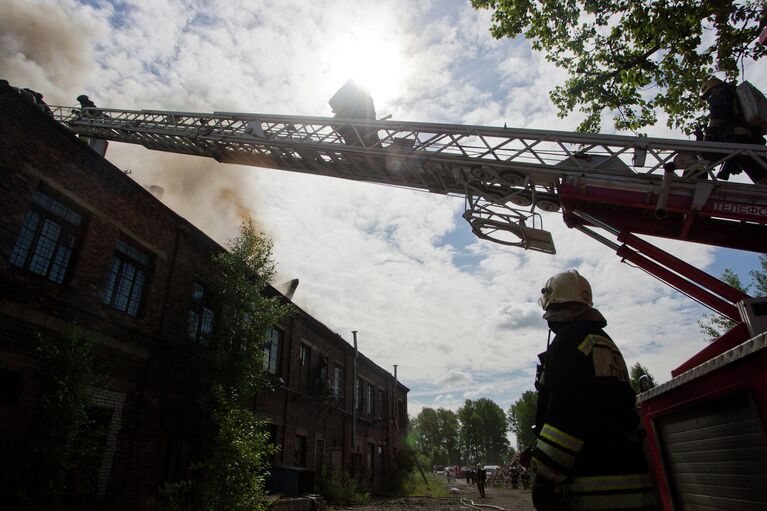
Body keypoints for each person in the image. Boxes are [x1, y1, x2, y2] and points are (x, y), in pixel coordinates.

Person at [529, 270, 657, 511]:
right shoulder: (605, 343)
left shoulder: (569, 342)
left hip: (589, 487)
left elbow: (567, 414)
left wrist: (546, 472)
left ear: (553, 310)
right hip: (633, 483)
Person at [701, 77, 767, 184]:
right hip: (750, 139)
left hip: (734, 140)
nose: (709, 98)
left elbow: (716, 119)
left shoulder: (719, 93)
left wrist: (707, 137)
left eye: (708, 95)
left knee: (700, 156)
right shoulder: (735, 94)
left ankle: (697, 183)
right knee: (760, 173)